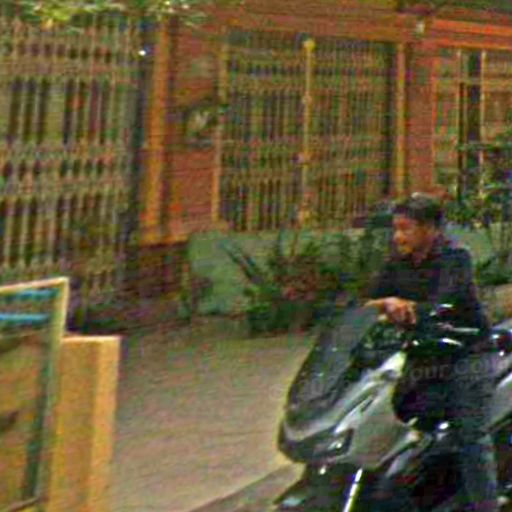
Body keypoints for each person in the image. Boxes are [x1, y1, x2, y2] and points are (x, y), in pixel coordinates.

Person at [366, 193, 499, 512]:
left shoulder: (456, 258)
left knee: (470, 434)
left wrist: (406, 306)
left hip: (467, 353)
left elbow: (444, 303)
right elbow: (369, 301)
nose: (398, 236)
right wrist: (385, 303)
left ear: (430, 229)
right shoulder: (397, 262)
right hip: (422, 355)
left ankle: (486, 505)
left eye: (406, 229)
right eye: (396, 229)